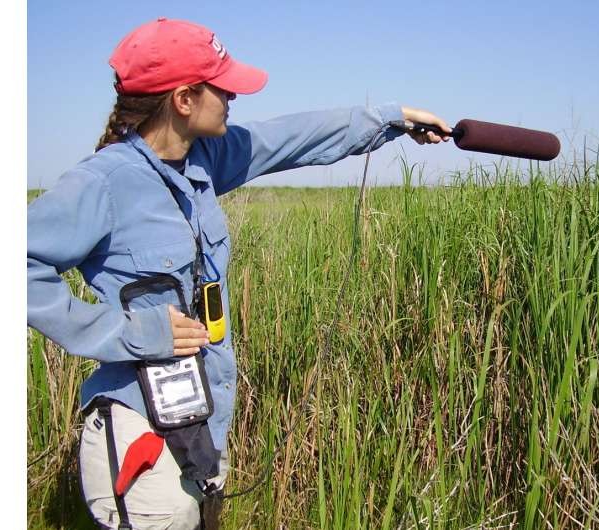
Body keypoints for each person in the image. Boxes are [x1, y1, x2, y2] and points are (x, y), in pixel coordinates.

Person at [27, 17, 451, 530]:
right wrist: (130, 332)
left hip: (201, 422)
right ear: (184, 100)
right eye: (222, 87)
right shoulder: (104, 182)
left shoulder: (203, 161)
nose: (232, 96)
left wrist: (392, 119)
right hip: (140, 429)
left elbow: (292, 137)